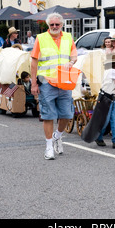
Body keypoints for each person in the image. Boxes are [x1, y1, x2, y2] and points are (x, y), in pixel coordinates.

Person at [31, 12, 78, 160]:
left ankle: (57, 136)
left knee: (67, 114)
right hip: (46, 82)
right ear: (48, 25)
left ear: (61, 25)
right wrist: (33, 83)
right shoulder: (41, 38)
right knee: (48, 115)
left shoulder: (68, 37)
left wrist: (71, 62)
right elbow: (34, 62)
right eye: (52, 24)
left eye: (57, 24)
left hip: (64, 82)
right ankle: (49, 147)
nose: (54, 27)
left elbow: (74, 55)